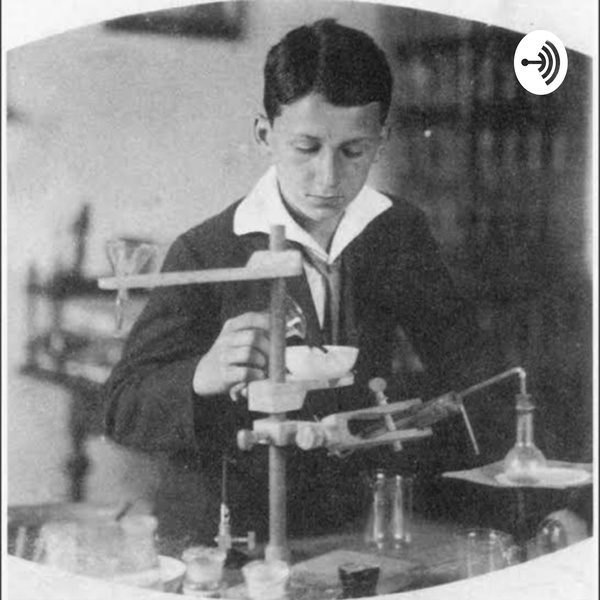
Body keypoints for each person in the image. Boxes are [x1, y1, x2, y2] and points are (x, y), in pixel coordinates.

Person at [103, 19, 481, 545]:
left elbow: (469, 365)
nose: (328, 178)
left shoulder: (397, 231)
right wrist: (202, 375)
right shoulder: (207, 250)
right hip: (227, 535)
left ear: (382, 140)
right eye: (306, 147)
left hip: (349, 529)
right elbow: (121, 407)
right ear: (265, 135)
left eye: (353, 151)